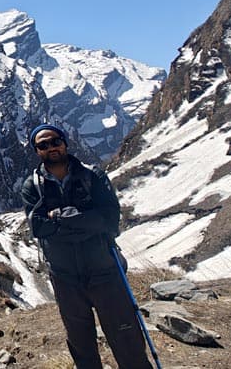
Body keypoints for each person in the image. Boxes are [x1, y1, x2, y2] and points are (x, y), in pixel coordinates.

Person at [20, 123, 152, 369]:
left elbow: (111, 219)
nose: (51, 148)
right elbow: (37, 227)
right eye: (43, 145)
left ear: (65, 142)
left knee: (127, 339)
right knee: (82, 347)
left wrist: (60, 219)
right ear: (36, 151)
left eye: (55, 141)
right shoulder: (32, 186)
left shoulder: (93, 176)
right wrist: (85, 223)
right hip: (66, 278)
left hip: (105, 272)